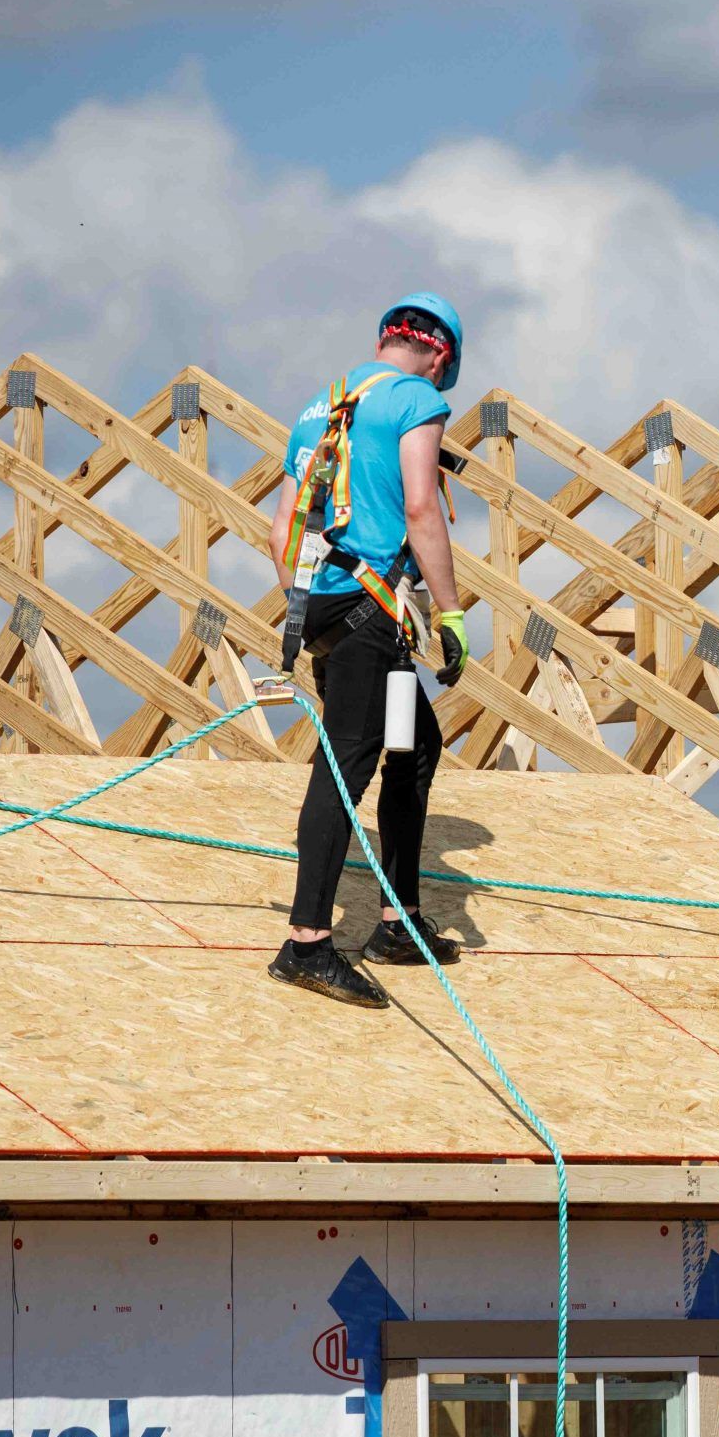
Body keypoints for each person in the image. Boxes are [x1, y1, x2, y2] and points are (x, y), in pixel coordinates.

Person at [263, 293, 472, 1008]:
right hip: (366, 616)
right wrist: (449, 612)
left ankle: (396, 918)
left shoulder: (320, 406)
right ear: (440, 357)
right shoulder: (416, 400)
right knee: (346, 760)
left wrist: (310, 600)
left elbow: (282, 523)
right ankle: (307, 942)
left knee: (413, 746)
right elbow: (421, 509)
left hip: (324, 608)